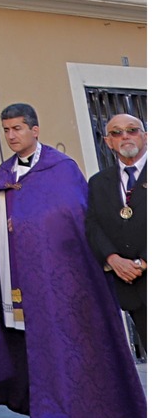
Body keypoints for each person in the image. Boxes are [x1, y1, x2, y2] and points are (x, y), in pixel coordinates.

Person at [0, 103, 146, 418]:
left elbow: (75, 217)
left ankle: (79, 415)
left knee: (71, 344)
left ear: (35, 130)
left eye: (17, 128)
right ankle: (57, 411)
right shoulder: (7, 174)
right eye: (6, 130)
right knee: (38, 344)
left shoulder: (61, 168)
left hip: (67, 278)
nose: (11, 136)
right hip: (22, 277)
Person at [86, 114, 147, 360]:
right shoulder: (98, 183)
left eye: (132, 130)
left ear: (145, 136)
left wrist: (143, 262)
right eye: (116, 133)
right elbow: (93, 226)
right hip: (133, 288)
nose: (125, 136)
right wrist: (113, 259)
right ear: (108, 141)